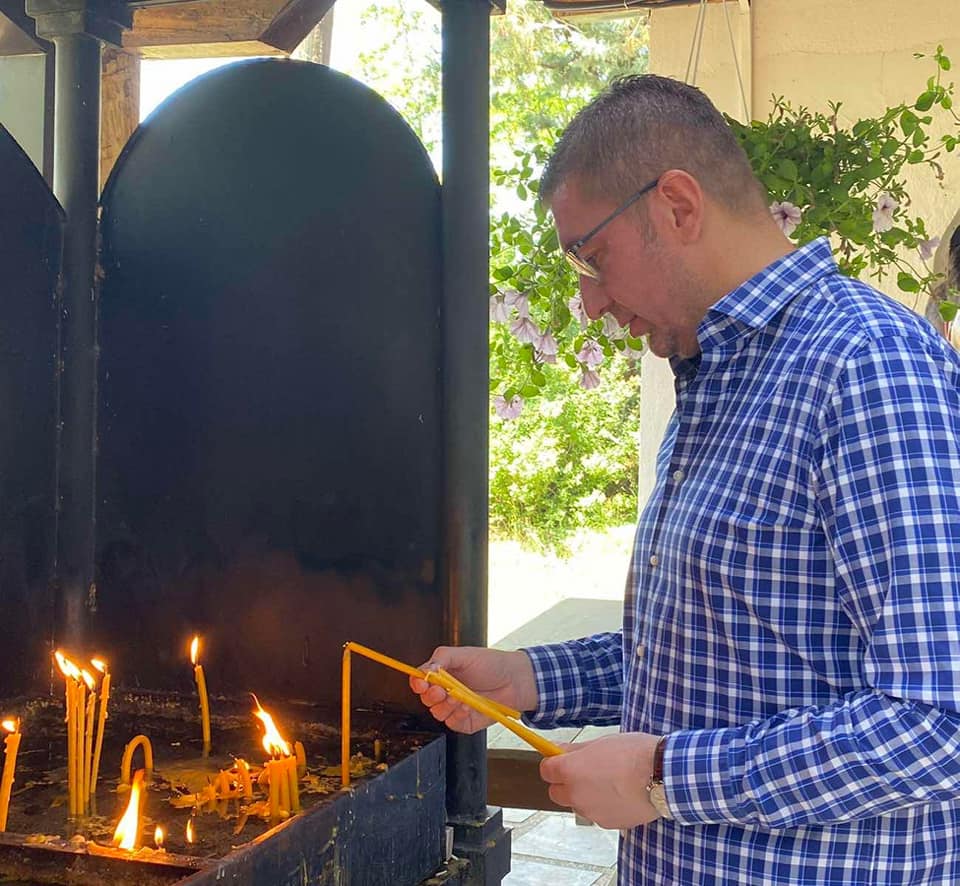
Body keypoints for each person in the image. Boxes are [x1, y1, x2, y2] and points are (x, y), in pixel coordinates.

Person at [411, 73, 960, 885]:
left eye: (592, 257)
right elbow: (715, 656)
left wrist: (662, 776)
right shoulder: (714, 376)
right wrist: (529, 679)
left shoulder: (871, 368)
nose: (589, 303)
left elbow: (938, 721)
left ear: (677, 203)